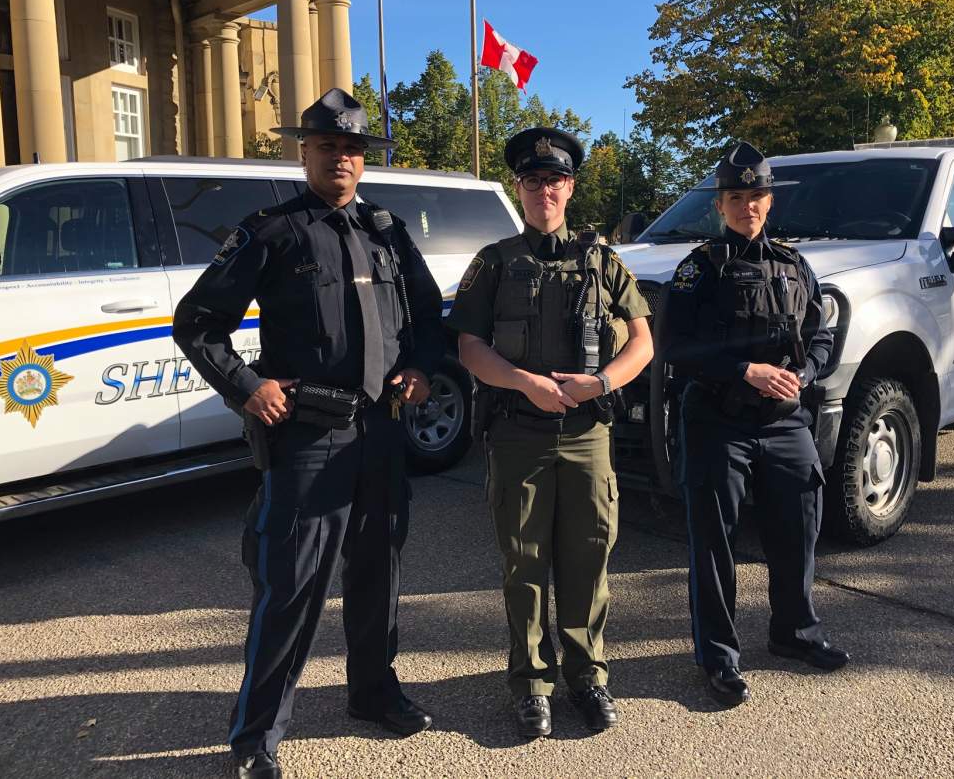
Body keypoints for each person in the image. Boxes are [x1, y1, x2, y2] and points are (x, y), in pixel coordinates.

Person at [172, 89, 444, 779]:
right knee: (291, 586)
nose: (342, 159)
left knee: (379, 572)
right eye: (328, 147)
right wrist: (246, 386)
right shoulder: (273, 230)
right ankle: (257, 735)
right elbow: (198, 320)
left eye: (353, 149)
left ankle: (373, 692)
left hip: (382, 432)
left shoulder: (387, 230)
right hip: (309, 439)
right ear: (304, 153)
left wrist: (422, 367)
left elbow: (429, 314)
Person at [447, 127, 653, 738]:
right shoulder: (494, 261)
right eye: (534, 180)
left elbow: (643, 341)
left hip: (588, 432)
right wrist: (522, 382)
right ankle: (532, 683)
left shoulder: (603, 261)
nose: (545, 190)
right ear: (520, 186)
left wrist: (604, 382)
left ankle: (588, 676)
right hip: (519, 433)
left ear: (571, 186)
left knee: (588, 560)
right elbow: (468, 347)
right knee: (525, 562)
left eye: (555, 180)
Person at [661, 140, 849, 709]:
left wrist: (807, 373)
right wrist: (745, 369)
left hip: (784, 420)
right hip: (718, 420)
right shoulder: (699, 269)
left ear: (770, 201)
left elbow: (822, 331)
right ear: (720, 205)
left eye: (757, 196)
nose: (749, 207)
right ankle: (718, 656)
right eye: (737, 197)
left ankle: (794, 632)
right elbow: (674, 346)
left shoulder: (795, 265)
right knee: (714, 543)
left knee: (798, 526)